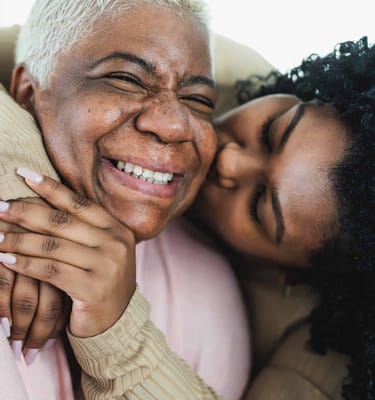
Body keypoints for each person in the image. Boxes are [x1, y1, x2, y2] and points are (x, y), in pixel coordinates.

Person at [1, 6, 374, 399]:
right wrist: (22, 173)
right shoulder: (214, 63)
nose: (229, 159)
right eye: (270, 133)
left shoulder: (263, 332)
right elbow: (46, 50)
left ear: (285, 273)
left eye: (259, 206)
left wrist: (119, 334)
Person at [0, 0, 252, 399]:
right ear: (29, 94)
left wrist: (117, 335)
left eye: (199, 100)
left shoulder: (209, 289)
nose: (173, 125)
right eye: (127, 79)